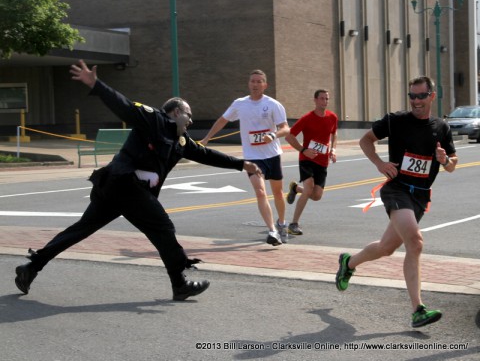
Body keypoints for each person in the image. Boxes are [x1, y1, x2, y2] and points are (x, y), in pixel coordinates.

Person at [14, 60, 262, 301]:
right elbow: (124, 106)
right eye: (188, 115)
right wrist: (96, 84)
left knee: (83, 228)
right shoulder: (155, 119)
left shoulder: (181, 140)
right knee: (163, 228)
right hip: (123, 184)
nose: (191, 121)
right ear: (175, 112)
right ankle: (180, 284)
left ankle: (32, 267)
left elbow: (205, 154)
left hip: (117, 190)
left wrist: (241, 164)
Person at [335, 76, 458, 328]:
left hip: (421, 196)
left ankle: (349, 263)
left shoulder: (441, 128)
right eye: (412, 96)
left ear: (432, 96)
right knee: (415, 241)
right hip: (397, 189)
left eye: (421, 96)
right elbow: (365, 140)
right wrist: (380, 163)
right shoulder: (395, 120)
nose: (415, 101)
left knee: (386, 247)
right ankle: (418, 309)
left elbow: (453, 165)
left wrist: (445, 160)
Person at [199, 70, 290, 246]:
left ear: (265, 85)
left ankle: (281, 223)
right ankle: (272, 230)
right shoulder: (240, 104)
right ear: (249, 84)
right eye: (252, 81)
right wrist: (207, 138)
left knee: (278, 193)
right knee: (260, 191)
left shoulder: (273, 105)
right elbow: (222, 120)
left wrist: (273, 135)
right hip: (251, 157)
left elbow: (286, 128)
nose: (255, 84)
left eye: (259, 82)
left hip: (272, 155)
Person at [285, 89, 338, 235]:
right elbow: (289, 137)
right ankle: (293, 224)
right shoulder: (307, 118)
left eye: (327, 99)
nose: (325, 101)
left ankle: (296, 189)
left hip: (322, 162)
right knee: (309, 188)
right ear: (315, 100)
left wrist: (333, 149)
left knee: (316, 196)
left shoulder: (332, 117)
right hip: (307, 159)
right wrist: (303, 150)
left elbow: (334, 133)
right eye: (322, 99)